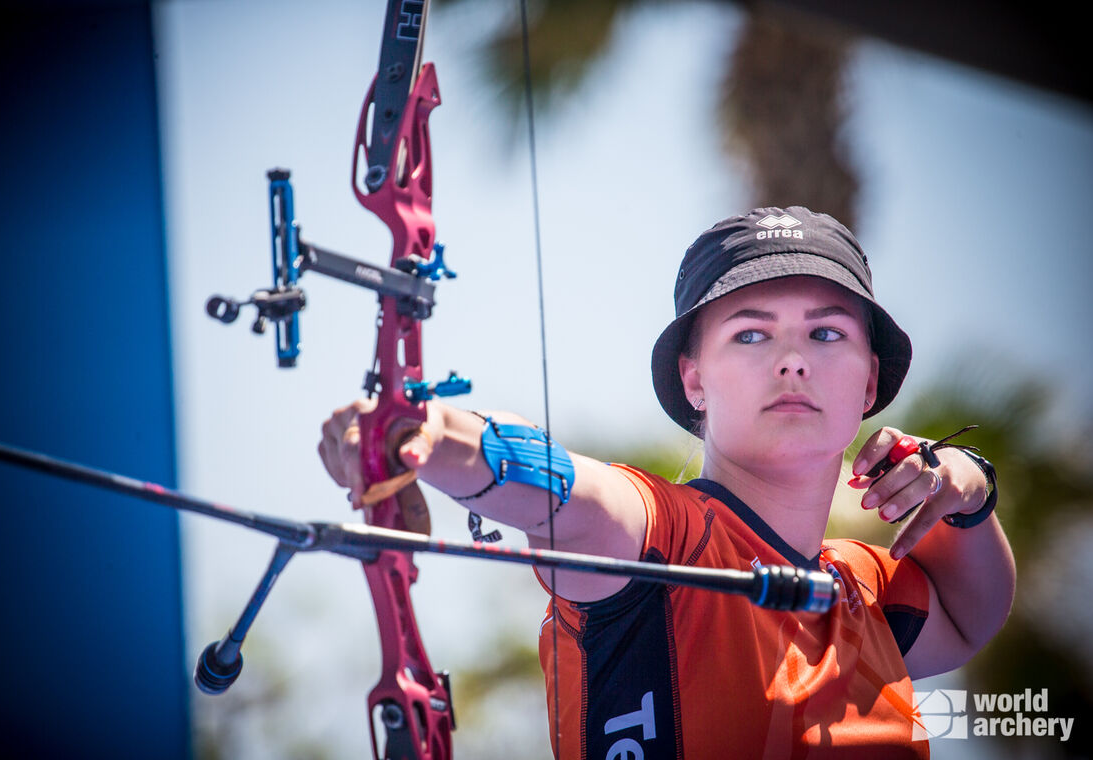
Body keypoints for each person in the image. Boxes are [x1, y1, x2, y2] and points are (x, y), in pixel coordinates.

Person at [319, 206, 1015, 758]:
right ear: (694, 380)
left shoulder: (862, 588)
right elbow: (564, 489)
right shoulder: (664, 533)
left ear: (869, 383)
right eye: (750, 334)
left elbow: (972, 617)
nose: (793, 361)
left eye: (826, 333)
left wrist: (971, 488)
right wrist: (425, 432)